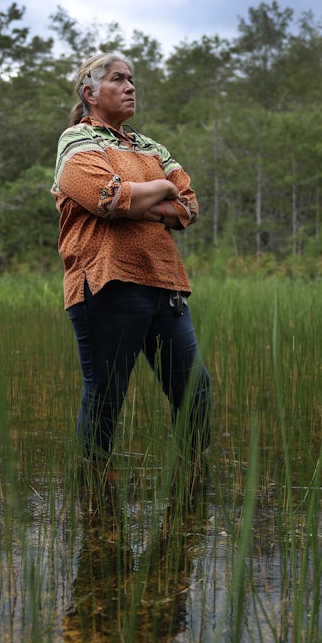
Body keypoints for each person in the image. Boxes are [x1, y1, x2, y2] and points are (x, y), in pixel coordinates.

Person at [51, 51, 211, 464]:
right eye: (118, 80)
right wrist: (162, 188)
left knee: (195, 392)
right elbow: (108, 197)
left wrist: (147, 199)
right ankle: (93, 495)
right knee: (106, 399)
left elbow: (188, 208)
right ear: (90, 92)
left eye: (132, 79)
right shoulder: (77, 142)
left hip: (166, 285)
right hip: (107, 283)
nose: (130, 87)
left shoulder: (150, 146)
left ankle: (189, 485)